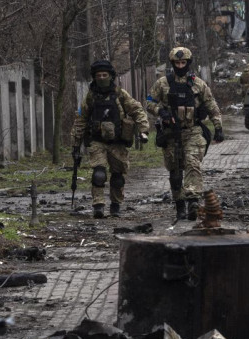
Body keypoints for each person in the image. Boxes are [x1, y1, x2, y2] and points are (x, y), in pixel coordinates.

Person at [146, 47, 226, 222]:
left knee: (192, 163)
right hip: (171, 134)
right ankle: (179, 205)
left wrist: (218, 127)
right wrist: (161, 112)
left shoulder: (198, 84)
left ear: (188, 63)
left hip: (193, 131)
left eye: (183, 63)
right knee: (175, 171)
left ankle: (193, 201)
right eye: (177, 63)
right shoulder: (162, 83)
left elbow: (211, 104)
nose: (180, 66)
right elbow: (149, 102)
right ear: (172, 63)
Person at [70, 59, 150, 219]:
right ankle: (98, 205)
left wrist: (143, 129)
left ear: (111, 76)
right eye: (98, 75)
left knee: (118, 177)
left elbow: (137, 110)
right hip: (97, 141)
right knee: (98, 174)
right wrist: (76, 142)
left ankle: (115, 205)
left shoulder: (120, 94)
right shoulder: (91, 97)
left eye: (104, 75)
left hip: (118, 142)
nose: (101, 78)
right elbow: (81, 119)